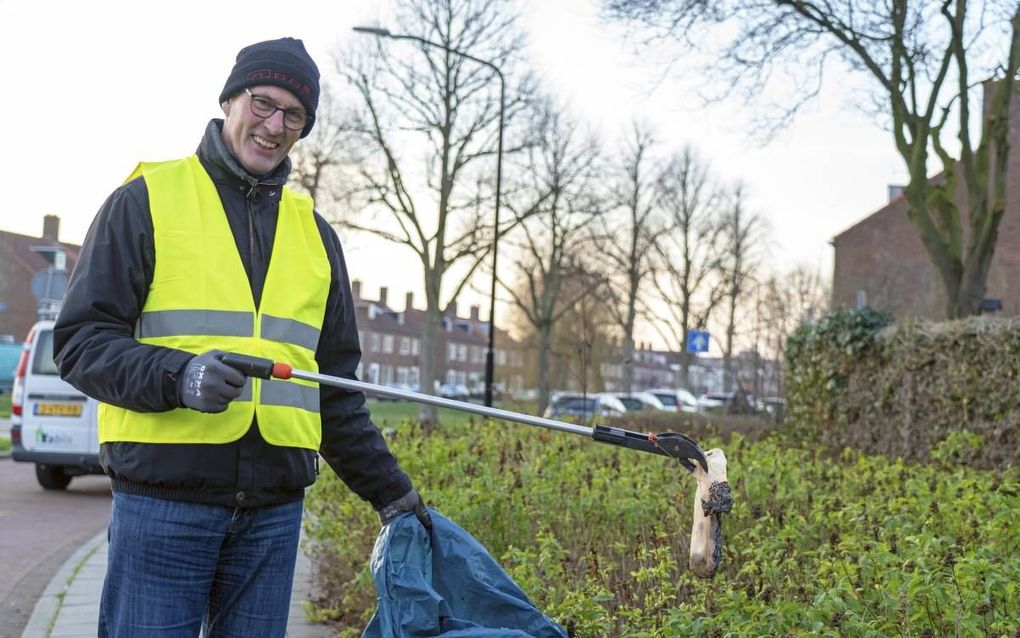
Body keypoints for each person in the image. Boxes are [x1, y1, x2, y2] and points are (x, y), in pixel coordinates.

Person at [53, 37, 430, 638]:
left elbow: (332, 389)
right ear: (230, 99)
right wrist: (180, 376)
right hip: (163, 505)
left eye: (294, 115)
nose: (274, 125)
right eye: (262, 102)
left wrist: (392, 493)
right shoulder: (145, 202)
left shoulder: (317, 236)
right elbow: (80, 342)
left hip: (273, 517)